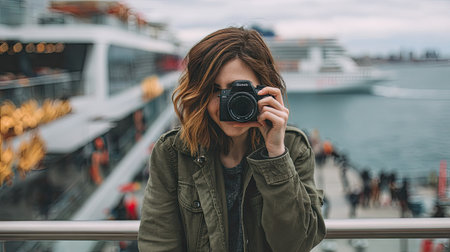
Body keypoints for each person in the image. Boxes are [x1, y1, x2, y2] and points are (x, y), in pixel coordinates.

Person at [138, 27, 326, 252]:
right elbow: (158, 245)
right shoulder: (173, 152)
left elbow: (296, 244)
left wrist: (276, 155)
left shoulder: (292, 148)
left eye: (239, 91)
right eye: (215, 90)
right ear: (200, 93)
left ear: (265, 89)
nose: (227, 104)